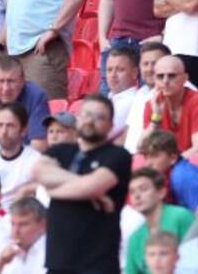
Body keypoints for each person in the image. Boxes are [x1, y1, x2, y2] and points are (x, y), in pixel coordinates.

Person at [30, 94, 131, 274]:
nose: (91, 121)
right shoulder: (59, 150)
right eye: (87, 114)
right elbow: (38, 172)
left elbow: (91, 187)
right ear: (78, 119)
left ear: (110, 125)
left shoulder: (118, 155)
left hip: (97, 264)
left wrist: (53, 191)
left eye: (99, 117)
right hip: (58, 262)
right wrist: (83, 184)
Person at [124, 167, 193, 274]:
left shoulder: (180, 217)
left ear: (161, 192)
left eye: (143, 189)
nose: (137, 196)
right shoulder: (135, 237)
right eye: (132, 192)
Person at [0, 195, 45, 274]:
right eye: (13, 224)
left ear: (42, 224)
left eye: (23, 224)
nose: (16, 231)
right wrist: (1, 262)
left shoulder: (51, 252)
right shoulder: (8, 250)